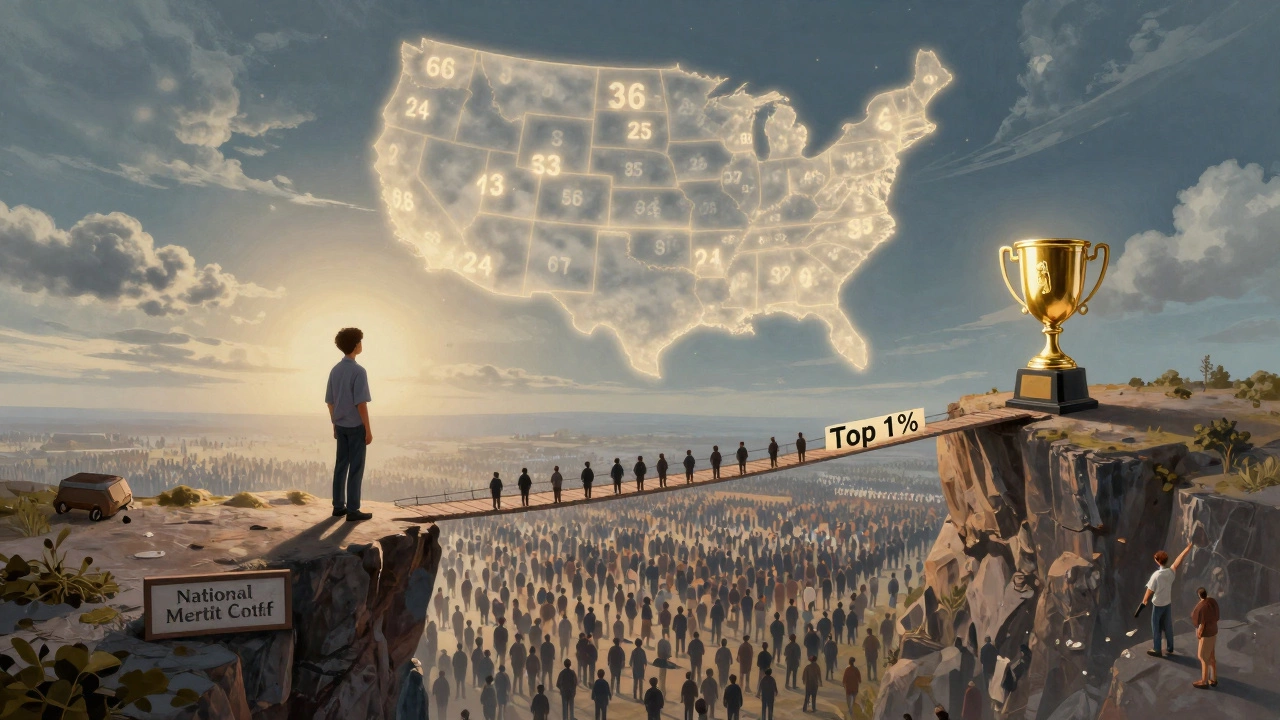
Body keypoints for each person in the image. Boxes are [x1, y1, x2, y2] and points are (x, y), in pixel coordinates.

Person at [326, 327, 373, 522]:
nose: (361, 345)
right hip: (355, 427)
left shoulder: (335, 370)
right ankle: (353, 510)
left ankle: (338, 507)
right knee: (356, 468)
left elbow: (330, 402)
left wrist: (334, 424)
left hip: (341, 426)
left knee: (341, 466)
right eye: (360, 342)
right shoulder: (359, 371)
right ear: (355, 345)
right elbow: (361, 404)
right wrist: (368, 430)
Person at [1141, 541, 1193, 657]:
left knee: (1156, 626)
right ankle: (1170, 647)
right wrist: (1188, 548)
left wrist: (1144, 600)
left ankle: (1157, 649)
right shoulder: (1170, 572)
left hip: (1158, 605)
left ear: (1157, 561)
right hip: (1167, 604)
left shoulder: (1156, 575)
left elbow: (1150, 590)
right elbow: (1179, 560)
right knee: (1168, 626)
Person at [1191, 587, 1219, 688]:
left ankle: (1204, 681)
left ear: (1199, 595)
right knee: (1211, 656)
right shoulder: (1212, 602)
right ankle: (1213, 678)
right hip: (1213, 632)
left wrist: (1199, 633)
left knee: (1203, 657)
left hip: (1206, 634)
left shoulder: (1202, 606)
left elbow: (1202, 623)